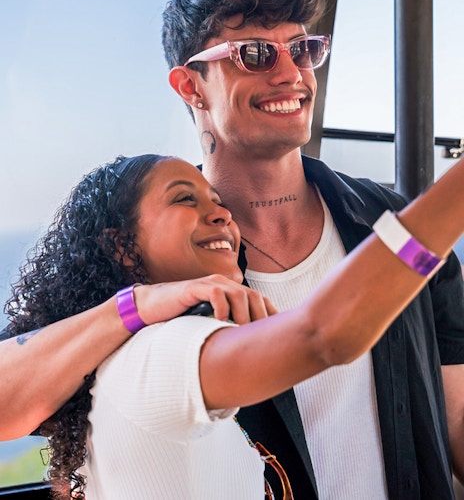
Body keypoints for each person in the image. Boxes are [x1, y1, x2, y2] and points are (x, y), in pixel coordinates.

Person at [0, 0, 463, 499]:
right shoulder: (166, 263)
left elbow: (455, 415)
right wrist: (134, 305)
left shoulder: (386, 215)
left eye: (304, 48)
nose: (292, 74)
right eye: (256, 54)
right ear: (190, 85)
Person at [5, 152, 464, 500]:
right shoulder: (161, 351)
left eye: (217, 200)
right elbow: (322, 336)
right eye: (185, 199)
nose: (223, 214)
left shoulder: (117, 354)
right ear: (122, 246)